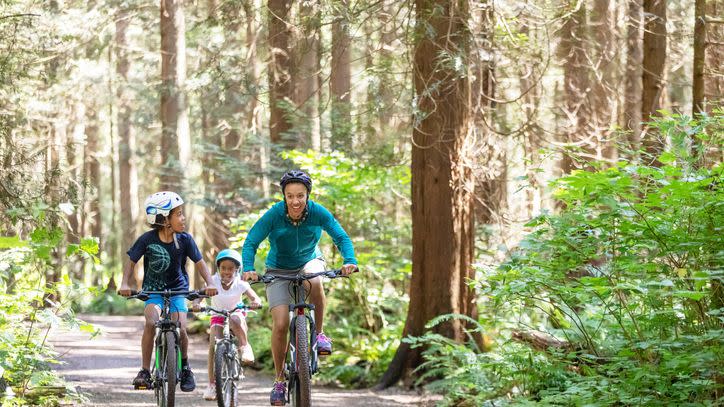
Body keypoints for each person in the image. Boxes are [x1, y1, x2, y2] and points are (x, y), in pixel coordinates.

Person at [242, 170, 358, 406]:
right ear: (283, 196)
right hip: (278, 269)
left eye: (300, 196)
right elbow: (252, 240)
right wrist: (248, 267)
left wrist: (349, 260)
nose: (295, 201)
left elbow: (341, 236)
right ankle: (279, 380)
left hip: (309, 262)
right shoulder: (275, 214)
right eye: (290, 196)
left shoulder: (317, 212)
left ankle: (320, 334)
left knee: (314, 279)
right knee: (282, 323)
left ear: (308, 195)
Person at [119, 191, 218, 392]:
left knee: (181, 327)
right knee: (150, 321)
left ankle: (185, 367)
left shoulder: (185, 239)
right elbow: (131, 262)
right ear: (164, 219)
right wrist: (124, 284)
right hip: (153, 292)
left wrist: (209, 283)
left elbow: (200, 263)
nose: (183, 218)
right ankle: (145, 371)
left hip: (178, 291)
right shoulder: (147, 240)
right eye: (178, 214)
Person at [195, 248, 263, 401]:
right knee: (214, 344)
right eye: (223, 268)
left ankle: (245, 347)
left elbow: (254, 297)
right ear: (218, 268)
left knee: (236, 319)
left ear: (237, 269)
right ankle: (212, 384)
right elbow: (199, 295)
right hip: (218, 316)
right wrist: (196, 303)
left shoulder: (240, 283)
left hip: (236, 314)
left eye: (230, 268)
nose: (226, 271)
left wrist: (255, 302)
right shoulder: (212, 281)